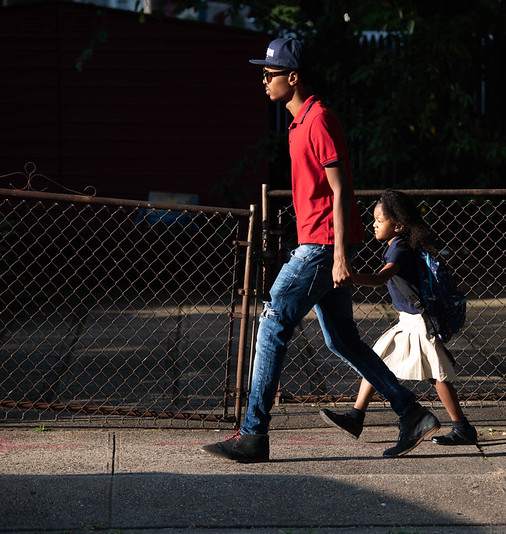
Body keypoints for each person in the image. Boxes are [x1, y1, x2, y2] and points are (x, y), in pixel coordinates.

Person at [202, 37, 439, 462]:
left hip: (320, 247)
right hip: (321, 245)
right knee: (342, 340)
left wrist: (339, 255)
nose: (263, 78)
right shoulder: (298, 123)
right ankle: (412, 414)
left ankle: (253, 435)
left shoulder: (318, 118)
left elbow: (340, 187)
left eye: (270, 73)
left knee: (272, 324)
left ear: (292, 78)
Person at [320, 189, 477, 446]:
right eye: (375, 220)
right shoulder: (396, 245)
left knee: (436, 375)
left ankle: (462, 428)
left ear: (399, 225)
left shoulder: (400, 248)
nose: (374, 225)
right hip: (408, 320)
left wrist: (352, 278)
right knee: (376, 360)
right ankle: (355, 416)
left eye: (380, 221)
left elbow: (383, 276)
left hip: (418, 322)